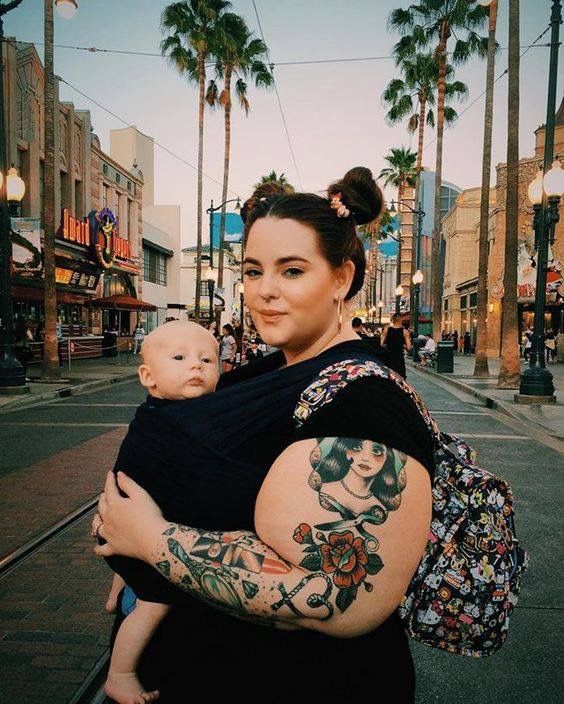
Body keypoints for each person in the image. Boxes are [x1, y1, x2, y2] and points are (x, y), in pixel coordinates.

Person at [94, 167, 434, 704]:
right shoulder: (264, 372)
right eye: (253, 272)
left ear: (342, 279)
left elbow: (343, 597)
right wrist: (140, 571)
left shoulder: (366, 400)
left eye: (292, 271)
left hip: (300, 684)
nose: (265, 292)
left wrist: (152, 545)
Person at [102, 320, 219, 704]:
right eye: (181, 358)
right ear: (148, 377)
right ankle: (120, 673)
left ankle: (122, 584)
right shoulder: (165, 420)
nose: (197, 366)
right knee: (155, 602)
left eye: (208, 359)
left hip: (140, 527)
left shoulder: (177, 412)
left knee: (140, 584)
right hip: (132, 526)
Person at [381, 313, 412, 379]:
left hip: (388, 357)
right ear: (401, 320)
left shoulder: (386, 329)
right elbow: (409, 348)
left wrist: (387, 345)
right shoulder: (405, 332)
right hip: (399, 359)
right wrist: (402, 345)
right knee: (400, 378)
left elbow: (381, 345)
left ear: (393, 320)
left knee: (389, 378)